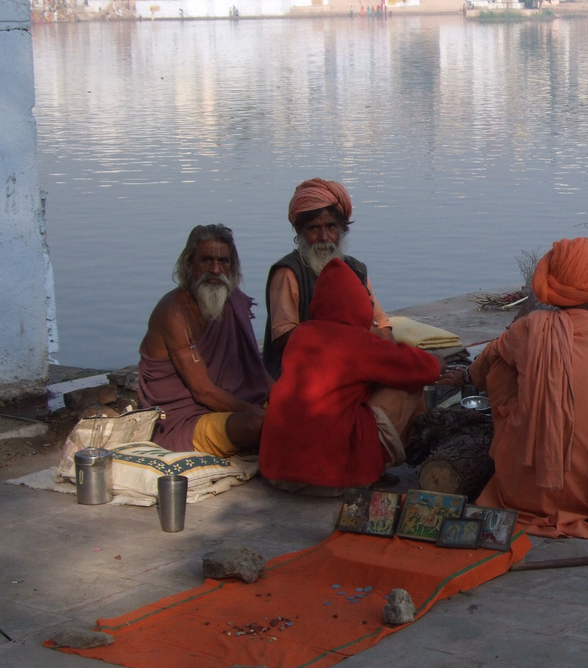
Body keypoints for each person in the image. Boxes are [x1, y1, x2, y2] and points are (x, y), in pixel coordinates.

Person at [471, 238, 588, 538]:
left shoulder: (527, 328)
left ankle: (530, 459)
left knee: (502, 366)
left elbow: (478, 373)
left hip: (523, 495)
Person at [259, 258, 446, 493]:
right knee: (407, 386)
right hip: (333, 479)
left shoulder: (301, 335)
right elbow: (424, 369)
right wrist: (439, 360)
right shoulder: (359, 342)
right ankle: (374, 469)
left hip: (279, 474)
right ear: (357, 302)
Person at [138, 225, 272, 456]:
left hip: (235, 401)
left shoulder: (233, 302)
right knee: (258, 426)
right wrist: (264, 415)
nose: (215, 269)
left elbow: (256, 371)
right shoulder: (174, 312)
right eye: (206, 260)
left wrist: (288, 399)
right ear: (189, 264)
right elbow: (203, 392)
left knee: (306, 409)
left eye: (223, 261)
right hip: (184, 418)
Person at [263, 178, 394, 378]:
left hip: (354, 364)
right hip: (303, 375)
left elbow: (381, 323)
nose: (324, 237)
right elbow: (284, 337)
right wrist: (344, 344)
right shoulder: (289, 272)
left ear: (342, 230)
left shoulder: (355, 269)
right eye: (314, 228)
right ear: (300, 232)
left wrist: (389, 357)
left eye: (331, 227)